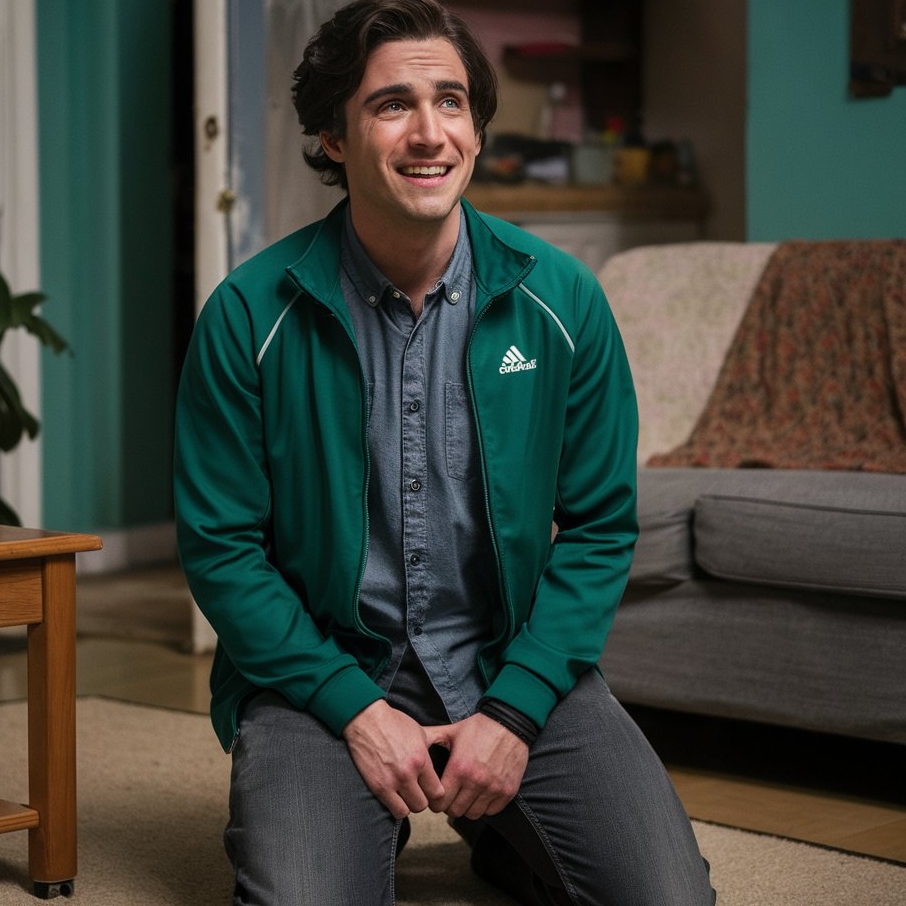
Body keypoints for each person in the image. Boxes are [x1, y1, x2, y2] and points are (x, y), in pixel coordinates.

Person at [174, 1, 716, 903]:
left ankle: (504, 825)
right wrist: (352, 709)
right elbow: (223, 549)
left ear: (476, 125)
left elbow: (599, 526)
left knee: (669, 898)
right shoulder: (249, 314)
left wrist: (515, 711)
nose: (431, 134)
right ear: (334, 136)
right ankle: (366, 811)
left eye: (452, 101)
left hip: (506, 662)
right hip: (323, 677)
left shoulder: (565, 301)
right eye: (392, 105)